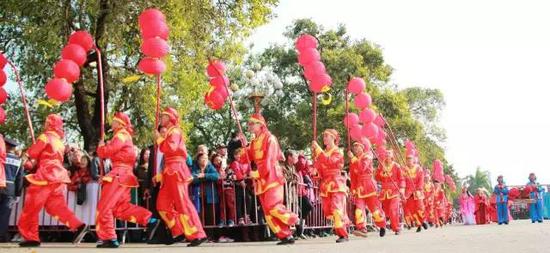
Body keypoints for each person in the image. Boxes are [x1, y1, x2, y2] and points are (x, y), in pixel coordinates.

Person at [17, 114, 88, 247]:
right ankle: (78, 225)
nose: (44, 124)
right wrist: (31, 163)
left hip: (46, 176)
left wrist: (26, 156)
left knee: (31, 207)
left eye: (46, 122)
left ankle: (31, 237)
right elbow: (41, 159)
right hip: (58, 177)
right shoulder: (59, 141)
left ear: (50, 123)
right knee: (55, 207)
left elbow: (34, 152)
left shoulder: (45, 136)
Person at [95, 112, 156, 248]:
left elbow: (107, 151)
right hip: (123, 174)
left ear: (120, 123)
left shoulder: (121, 135)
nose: (112, 123)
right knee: (120, 209)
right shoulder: (124, 136)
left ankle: (109, 237)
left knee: (104, 207)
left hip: (118, 174)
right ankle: (149, 219)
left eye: (114, 121)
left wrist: (101, 147)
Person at [238, 113, 298, 245]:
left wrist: (258, 173)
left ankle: (293, 218)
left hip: (272, 176)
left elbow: (270, 160)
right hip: (261, 180)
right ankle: (285, 235)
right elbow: (244, 158)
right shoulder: (254, 142)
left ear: (261, 125)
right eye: (249, 124)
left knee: (273, 206)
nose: (250, 126)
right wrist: (243, 144)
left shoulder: (270, 138)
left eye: (252, 123)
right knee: (267, 212)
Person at [154, 107, 207, 247]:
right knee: (162, 205)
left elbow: (170, 148)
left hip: (177, 170)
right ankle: (178, 231)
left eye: (164, 116)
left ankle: (197, 234)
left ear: (171, 118)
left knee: (183, 203)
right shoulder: (170, 132)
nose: (161, 118)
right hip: (169, 171)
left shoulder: (175, 131)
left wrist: (159, 140)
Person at [312, 129, 349, 243]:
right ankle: (344, 222)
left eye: (327, 136)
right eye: (324, 136)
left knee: (336, 208)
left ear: (333, 138)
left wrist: (318, 150)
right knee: (328, 211)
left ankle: (343, 234)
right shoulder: (321, 153)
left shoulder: (338, 151)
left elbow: (330, 162)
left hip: (337, 183)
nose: (324, 138)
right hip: (325, 185)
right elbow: (318, 169)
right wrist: (315, 172)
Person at [348, 141, 386, 237]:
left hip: (369, 185)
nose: (355, 148)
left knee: (375, 210)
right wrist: (353, 189)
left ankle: (382, 225)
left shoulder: (368, 155)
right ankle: (362, 228)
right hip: (359, 187)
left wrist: (353, 158)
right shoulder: (354, 160)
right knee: (359, 209)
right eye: (354, 146)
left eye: (357, 146)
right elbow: (353, 176)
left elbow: (362, 168)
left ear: (362, 147)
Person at [375, 149, 405, 235]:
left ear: (392, 156)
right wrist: (381, 171)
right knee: (382, 211)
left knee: (393, 210)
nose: (387, 155)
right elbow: (377, 178)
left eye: (389, 154)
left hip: (394, 191)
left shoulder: (397, 166)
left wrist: (402, 188)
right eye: (386, 154)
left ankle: (396, 228)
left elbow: (402, 179)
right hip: (384, 191)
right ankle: (382, 226)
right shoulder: (381, 166)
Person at [0, 138, 23, 242]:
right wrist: (18, 194)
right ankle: (1, 235)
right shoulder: (19, 161)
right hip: (10, 189)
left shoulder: (1, 157)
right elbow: (19, 178)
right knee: (5, 214)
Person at [403, 154, 427, 232]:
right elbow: (402, 179)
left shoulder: (418, 169)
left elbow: (421, 179)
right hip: (408, 191)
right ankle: (419, 224)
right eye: (407, 160)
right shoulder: (404, 169)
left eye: (410, 160)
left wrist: (419, 189)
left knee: (420, 208)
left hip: (417, 190)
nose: (408, 161)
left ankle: (423, 220)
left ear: (413, 160)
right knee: (412, 210)